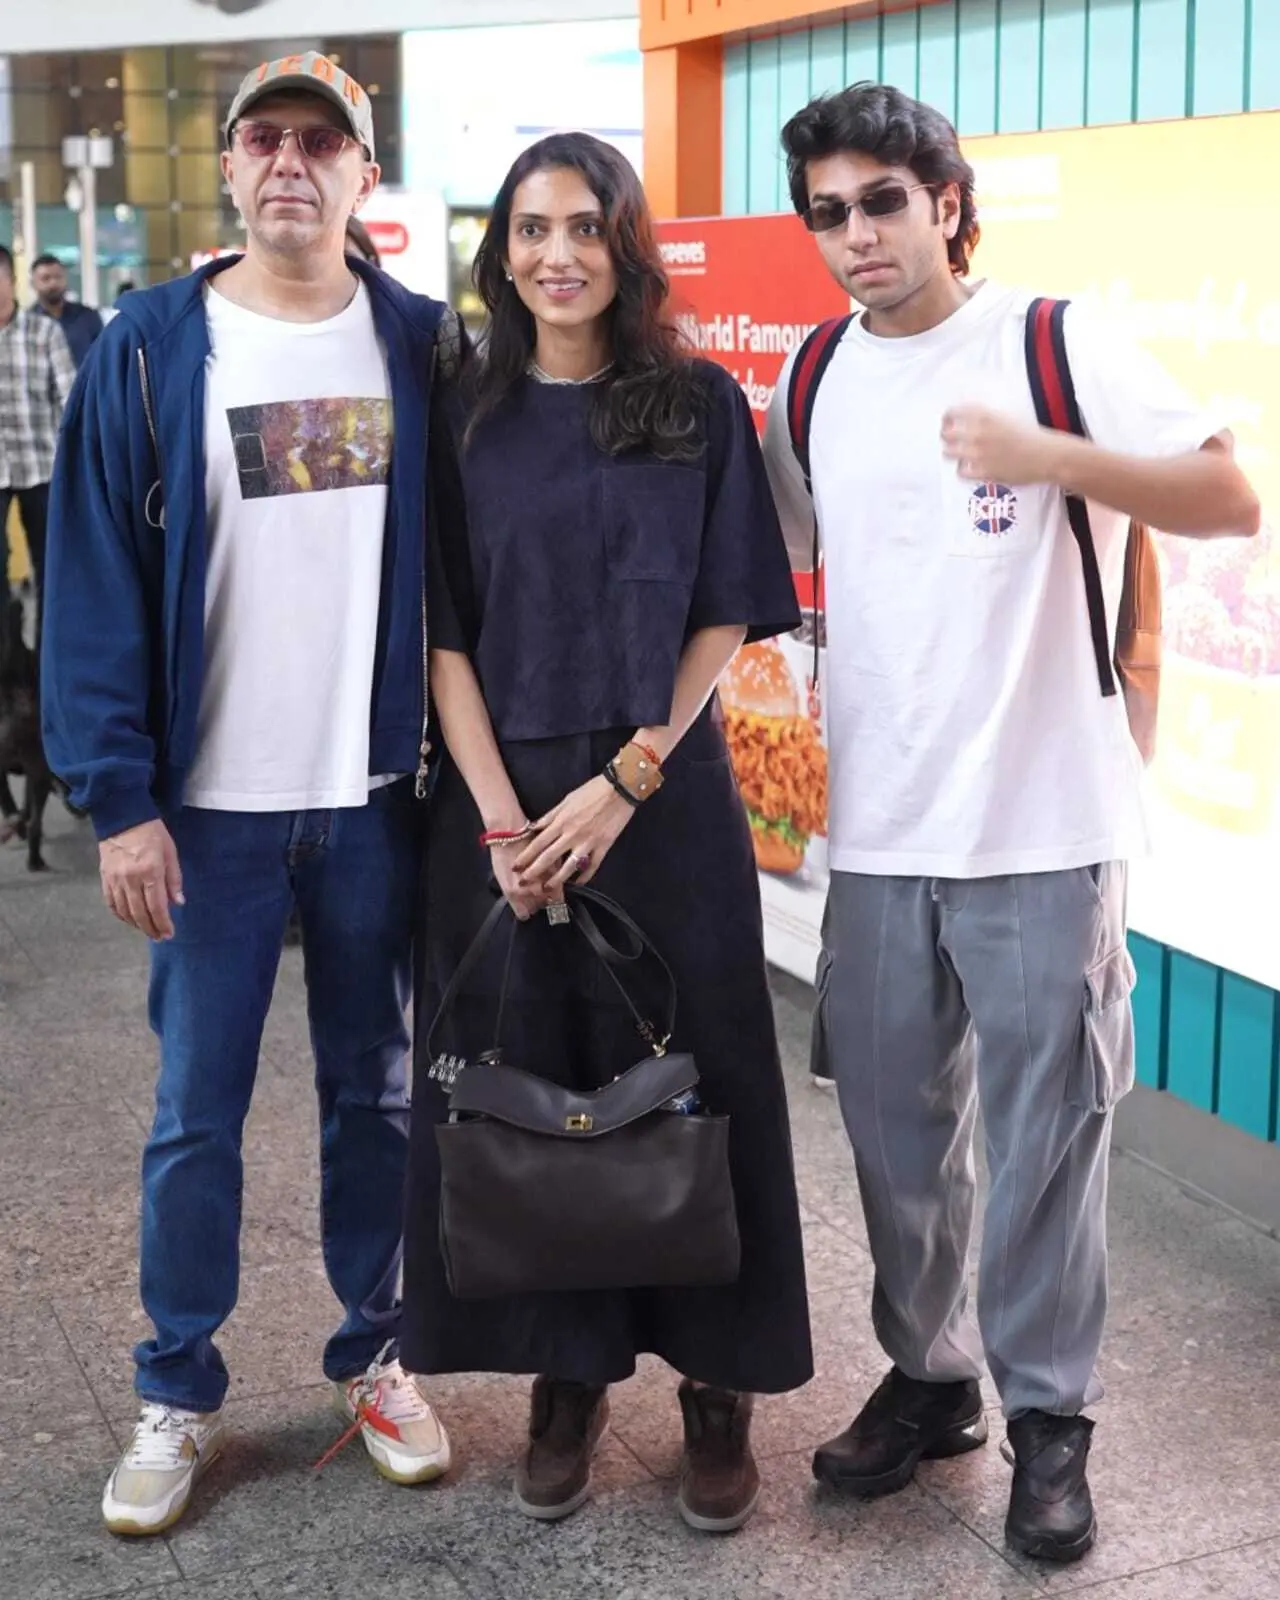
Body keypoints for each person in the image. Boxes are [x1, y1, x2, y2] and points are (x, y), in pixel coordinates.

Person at [763, 83, 1261, 1565]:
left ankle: (1053, 1416)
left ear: (948, 205)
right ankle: (933, 1380)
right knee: (894, 1136)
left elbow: (1228, 496)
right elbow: (788, 554)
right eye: (830, 213)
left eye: (883, 203)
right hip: (885, 832)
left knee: (1049, 1140)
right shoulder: (810, 377)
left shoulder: (1053, 339)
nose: (857, 236)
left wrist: (1055, 459)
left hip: (1045, 824)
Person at [43, 51, 456, 1539]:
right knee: (192, 1114)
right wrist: (119, 797)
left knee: (378, 1094)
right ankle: (176, 1389)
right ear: (230, 169)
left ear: (363, 176)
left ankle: (380, 1355)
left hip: (369, 800)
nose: (291, 162)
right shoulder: (152, 347)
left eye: (320, 141)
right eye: (264, 139)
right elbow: (91, 588)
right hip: (204, 813)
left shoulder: (419, 342)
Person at [401, 131, 813, 1535]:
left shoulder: (694, 399)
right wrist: (507, 818)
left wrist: (626, 782)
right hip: (502, 808)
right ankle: (566, 1378)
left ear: (625, 247)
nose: (556, 255)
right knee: (535, 1083)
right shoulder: (465, 410)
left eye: (585, 227)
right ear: (500, 248)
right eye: (531, 229)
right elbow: (441, 632)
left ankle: (718, 1384)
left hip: (662, 799)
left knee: (704, 1083)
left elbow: (723, 606)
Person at [0, 243, 74, 621]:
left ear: (12, 280)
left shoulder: (45, 332)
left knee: (51, 568)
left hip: (41, 465)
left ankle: (48, 665)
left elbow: (69, 397)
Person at [30, 253, 105, 368]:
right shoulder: (27, 322)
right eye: (46, 278)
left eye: (58, 277)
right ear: (33, 284)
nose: (53, 283)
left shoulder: (88, 317)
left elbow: (103, 358)